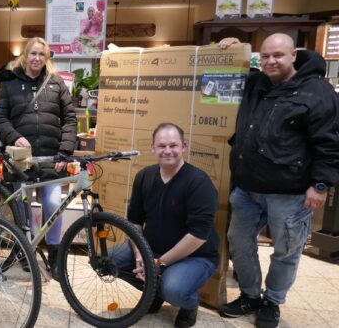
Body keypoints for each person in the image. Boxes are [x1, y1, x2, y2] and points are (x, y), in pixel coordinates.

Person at [217, 34, 339, 327]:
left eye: (278, 55)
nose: (271, 61)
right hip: (247, 188)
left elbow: (330, 143)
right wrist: (233, 48)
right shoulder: (257, 83)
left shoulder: (317, 92)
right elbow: (231, 71)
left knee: (286, 251)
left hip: (290, 192)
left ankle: (272, 301)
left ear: (294, 55)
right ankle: (249, 295)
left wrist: (320, 185)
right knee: (238, 243)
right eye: (265, 56)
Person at [116, 123, 219, 328]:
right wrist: (141, 256)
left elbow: (198, 236)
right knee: (108, 260)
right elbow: (135, 223)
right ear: (153, 148)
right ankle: (153, 292)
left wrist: (157, 263)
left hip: (195, 256)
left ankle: (189, 304)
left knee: (175, 290)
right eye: (162, 146)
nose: (168, 151)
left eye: (173, 145)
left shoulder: (199, 182)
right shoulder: (144, 176)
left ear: (184, 147)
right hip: (152, 250)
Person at [0, 37, 77, 278]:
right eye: (33, 54)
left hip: (52, 159)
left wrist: (66, 151)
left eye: (42, 54)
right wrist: (14, 137)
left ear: (46, 58)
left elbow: (70, 119)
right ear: (25, 56)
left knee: (53, 205)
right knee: (22, 207)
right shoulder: (10, 85)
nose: (37, 58)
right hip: (20, 161)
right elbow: (0, 119)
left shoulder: (56, 83)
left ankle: (54, 253)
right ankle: (25, 251)